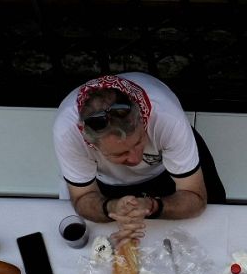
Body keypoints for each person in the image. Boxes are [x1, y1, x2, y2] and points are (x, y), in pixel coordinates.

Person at [54, 73, 227, 243]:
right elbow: (83, 197)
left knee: (213, 224)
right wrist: (111, 208)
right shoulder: (67, 133)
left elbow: (195, 197)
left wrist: (153, 206)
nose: (136, 160)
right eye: (120, 153)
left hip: (166, 170)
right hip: (108, 182)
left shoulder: (167, 117)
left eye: (139, 142)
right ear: (89, 142)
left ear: (143, 119)